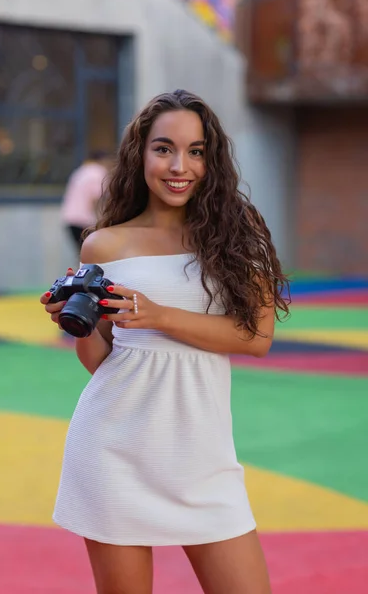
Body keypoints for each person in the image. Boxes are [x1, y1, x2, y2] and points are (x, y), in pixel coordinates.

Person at [40, 89, 290, 594]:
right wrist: (74, 325)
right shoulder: (104, 242)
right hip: (113, 449)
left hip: (204, 459)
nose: (180, 166)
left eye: (195, 151)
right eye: (164, 148)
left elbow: (256, 338)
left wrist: (159, 316)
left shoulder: (241, 236)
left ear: (211, 158)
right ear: (141, 153)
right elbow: (103, 363)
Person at [61, 150, 110, 252]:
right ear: (103, 160)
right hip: (85, 221)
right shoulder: (98, 172)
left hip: (71, 218)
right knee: (91, 254)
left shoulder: (81, 171)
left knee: (82, 253)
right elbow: (96, 199)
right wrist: (101, 221)